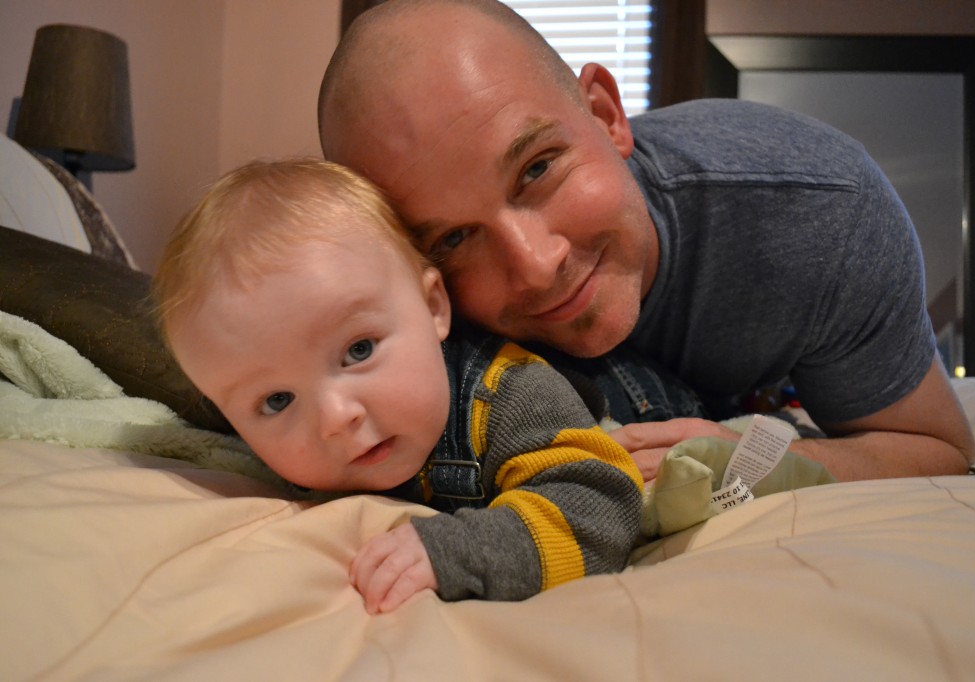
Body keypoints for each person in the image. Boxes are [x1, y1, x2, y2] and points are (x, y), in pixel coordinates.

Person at [317, 0, 975, 482]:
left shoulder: (825, 213)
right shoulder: (400, 289)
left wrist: (744, 460)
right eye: (455, 238)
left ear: (606, 116)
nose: (537, 266)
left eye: (538, 169)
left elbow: (934, 446)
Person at [151, 158, 645, 614]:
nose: (335, 417)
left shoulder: (512, 395)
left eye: (359, 350)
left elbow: (603, 509)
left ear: (433, 307)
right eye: (277, 401)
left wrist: (460, 553)